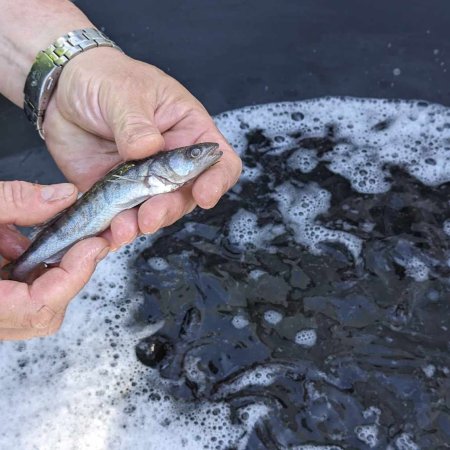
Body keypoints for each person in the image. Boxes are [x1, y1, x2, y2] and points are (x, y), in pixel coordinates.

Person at [0, 0, 242, 339]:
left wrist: (77, 67)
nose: (202, 154)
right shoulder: (150, 167)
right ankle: (19, 270)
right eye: (191, 155)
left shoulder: (156, 176)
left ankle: (19, 269)